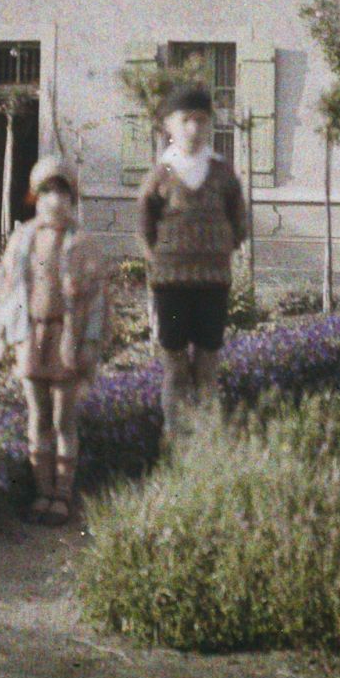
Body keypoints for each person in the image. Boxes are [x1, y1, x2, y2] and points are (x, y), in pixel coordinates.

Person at [0, 155, 110, 526]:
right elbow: (6, 288)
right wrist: (2, 333)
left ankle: (62, 494)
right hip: (32, 336)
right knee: (38, 414)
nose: (54, 201)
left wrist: (89, 342)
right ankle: (42, 491)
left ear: (72, 199)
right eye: (46, 192)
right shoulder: (22, 239)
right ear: (35, 197)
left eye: (62, 193)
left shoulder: (82, 243)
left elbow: (97, 301)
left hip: (65, 338)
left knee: (63, 417)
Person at [137, 83, 247, 438]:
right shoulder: (161, 175)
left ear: (210, 124)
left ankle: (206, 439)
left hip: (213, 284)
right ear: (169, 124)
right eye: (185, 120)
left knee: (207, 364)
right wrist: (163, 261)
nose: (193, 128)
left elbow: (239, 223)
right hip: (170, 287)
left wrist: (217, 249)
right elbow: (145, 227)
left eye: (201, 120)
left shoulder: (222, 172)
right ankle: (175, 437)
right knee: (175, 365)